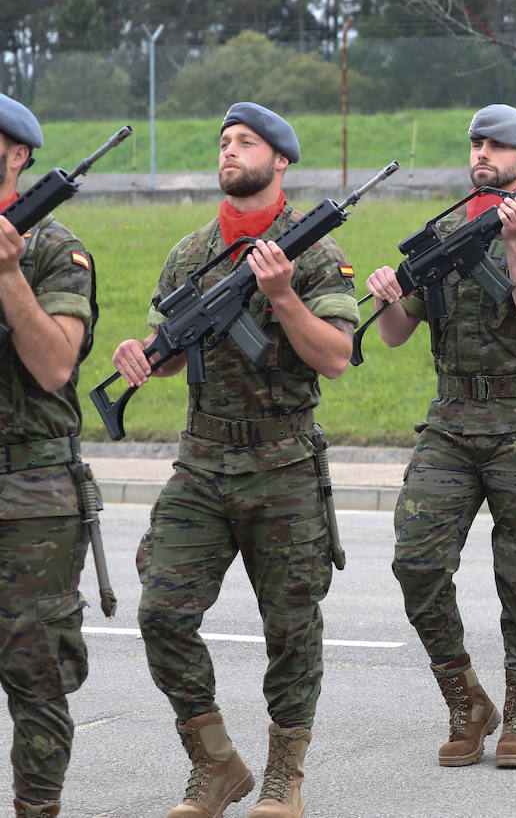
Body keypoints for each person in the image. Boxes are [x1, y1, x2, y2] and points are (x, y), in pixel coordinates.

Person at [112, 103, 358, 818]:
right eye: (223, 141)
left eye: (245, 142)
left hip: (282, 460)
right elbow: (172, 348)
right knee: (160, 609)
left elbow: (337, 357)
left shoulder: (310, 253)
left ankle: (286, 773)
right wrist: (141, 355)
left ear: (280, 161)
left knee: (290, 625)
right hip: (201, 461)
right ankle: (215, 762)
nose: (229, 150)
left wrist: (282, 297)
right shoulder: (192, 252)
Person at [367, 104, 516, 768]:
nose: (483, 153)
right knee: (416, 562)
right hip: (452, 421)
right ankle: (465, 700)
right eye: (477, 144)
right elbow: (399, 333)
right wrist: (387, 300)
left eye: (498, 146)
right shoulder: (446, 231)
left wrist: (514, 244)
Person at [0, 95, 98, 818]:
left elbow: (56, 366)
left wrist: (8, 277)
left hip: (29, 491)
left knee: (34, 675)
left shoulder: (52, 250)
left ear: (19, 156)